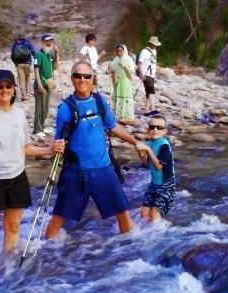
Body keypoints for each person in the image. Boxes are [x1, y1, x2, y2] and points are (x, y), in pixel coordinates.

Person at [0, 69, 64, 267]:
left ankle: (5, 270)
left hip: (16, 179)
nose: (4, 90)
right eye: (0, 87)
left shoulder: (19, 115)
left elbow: (24, 148)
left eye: (8, 86)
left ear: (14, 89)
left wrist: (49, 150)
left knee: (13, 227)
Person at [44, 61, 144, 239]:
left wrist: (135, 142)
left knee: (122, 212)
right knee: (59, 217)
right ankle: (45, 252)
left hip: (103, 169)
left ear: (92, 79)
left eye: (86, 76)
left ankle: (130, 249)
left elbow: (113, 127)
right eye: (77, 76)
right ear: (72, 79)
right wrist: (55, 147)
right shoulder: (65, 108)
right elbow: (58, 140)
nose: (82, 80)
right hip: (76, 173)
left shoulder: (99, 101)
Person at [136, 115, 176, 221]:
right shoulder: (149, 143)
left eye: (159, 128)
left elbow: (158, 166)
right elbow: (148, 165)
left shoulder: (164, 146)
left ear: (164, 131)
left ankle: (161, 232)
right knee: (144, 214)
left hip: (166, 185)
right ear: (147, 129)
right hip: (154, 184)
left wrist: (148, 150)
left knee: (154, 215)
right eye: (152, 127)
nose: (155, 129)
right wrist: (141, 155)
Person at [33, 33, 59, 137]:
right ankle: (37, 129)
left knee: (46, 107)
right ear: (43, 42)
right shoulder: (38, 54)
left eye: (50, 41)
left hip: (49, 84)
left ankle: (42, 127)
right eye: (47, 41)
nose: (49, 43)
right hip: (41, 84)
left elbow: (56, 67)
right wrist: (39, 85)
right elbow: (36, 70)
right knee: (40, 107)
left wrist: (56, 54)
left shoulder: (50, 54)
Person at [110, 44, 136, 125]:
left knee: (125, 98)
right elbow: (113, 72)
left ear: (124, 51)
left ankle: (127, 117)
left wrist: (124, 66)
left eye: (121, 51)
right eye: (117, 51)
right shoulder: (115, 60)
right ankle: (118, 116)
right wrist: (113, 77)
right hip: (117, 81)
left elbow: (130, 76)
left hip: (125, 81)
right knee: (117, 98)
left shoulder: (128, 60)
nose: (119, 53)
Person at [137, 36, 161, 116]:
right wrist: (141, 74)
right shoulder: (144, 51)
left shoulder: (154, 51)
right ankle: (153, 108)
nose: (155, 46)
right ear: (150, 43)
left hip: (152, 74)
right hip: (146, 74)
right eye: (154, 44)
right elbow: (139, 63)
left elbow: (153, 63)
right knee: (151, 90)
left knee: (148, 92)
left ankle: (146, 111)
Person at [10, 34, 35, 101]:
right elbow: (33, 52)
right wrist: (36, 63)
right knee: (28, 77)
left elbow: (12, 56)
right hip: (28, 64)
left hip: (19, 65)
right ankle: (27, 93)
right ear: (24, 36)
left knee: (21, 80)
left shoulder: (15, 44)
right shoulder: (27, 42)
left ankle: (24, 96)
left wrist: (16, 64)